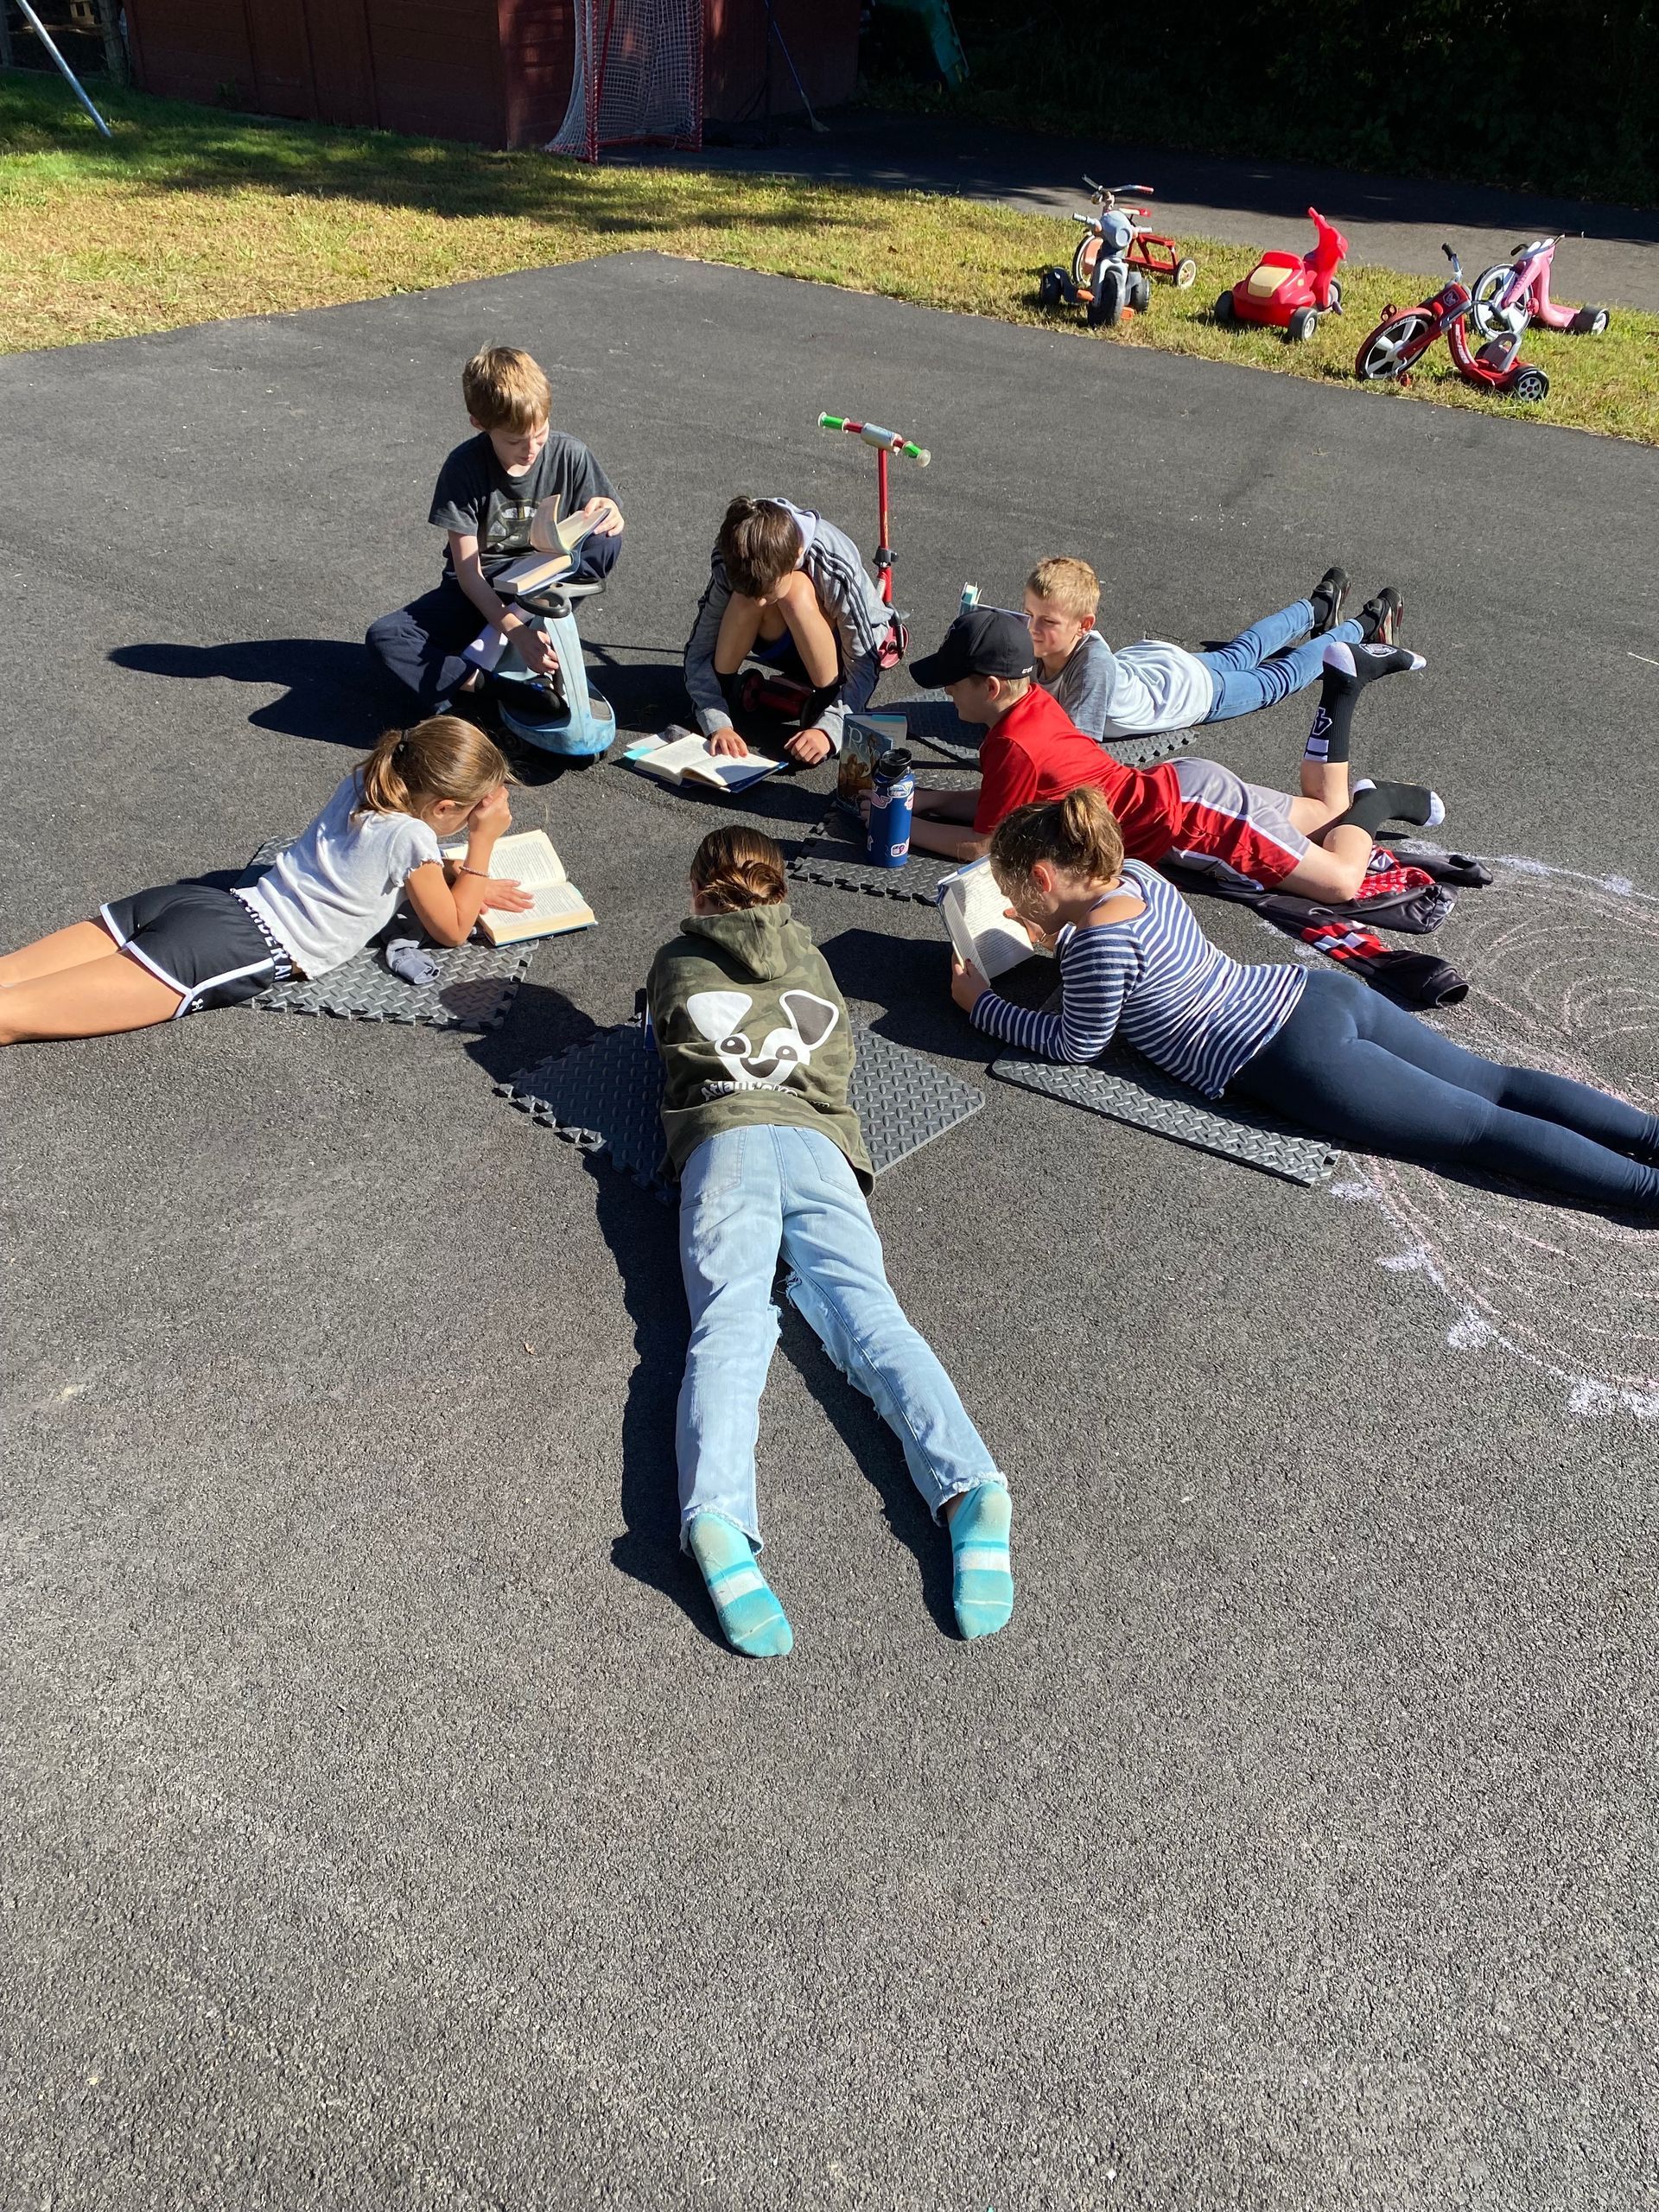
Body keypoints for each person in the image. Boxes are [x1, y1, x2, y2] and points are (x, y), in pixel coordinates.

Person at [950, 785, 1659, 1214]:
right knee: (1492, 1084)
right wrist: (1053, 931)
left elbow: (1077, 1044)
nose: (1013, 906)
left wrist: (983, 1005)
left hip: (1295, 1057)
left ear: (1044, 879)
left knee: (1480, 1132)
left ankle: (1647, 1193)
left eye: (1016, 895)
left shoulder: (1095, 949)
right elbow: (1127, 957)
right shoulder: (1133, 875)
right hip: (1309, 994)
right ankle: (1650, 1139)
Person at [646, 826, 1013, 1656]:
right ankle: (969, 1486)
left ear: (700, 894)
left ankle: (718, 1521)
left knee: (731, 1325)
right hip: (818, 1147)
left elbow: (665, 1045)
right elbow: (837, 1054)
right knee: (873, 1316)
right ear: (781, 895)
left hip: (725, 1144)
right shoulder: (813, 960)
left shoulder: (676, 958)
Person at [0, 718, 533, 1046]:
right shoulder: (414, 840)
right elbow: (452, 929)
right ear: (442, 808)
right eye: (467, 815)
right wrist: (482, 844)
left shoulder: (368, 780)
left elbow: (383, 862)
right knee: (10, 1017)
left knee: (8, 978)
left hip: (194, 905)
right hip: (231, 948)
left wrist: (457, 876)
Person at [902, 607, 1441, 906]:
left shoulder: (1014, 743)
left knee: (1342, 882)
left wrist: (901, 824)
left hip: (1195, 820)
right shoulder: (1032, 709)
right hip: (1187, 790)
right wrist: (924, 798)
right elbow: (1004, 805)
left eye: (953, 683)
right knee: (1326, 812)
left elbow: (986, 847)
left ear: (993, 687)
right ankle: (1344, 686)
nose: (947, 692)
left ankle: (1380, 797)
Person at [365, 346, 625, 715]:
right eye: (515, 441)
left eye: (540, 434)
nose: (531, 449)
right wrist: (518, 634)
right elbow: (469, 576)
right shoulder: (463, 467)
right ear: (479, 424)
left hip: (543, 583)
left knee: (607, 539)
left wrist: (611, 513)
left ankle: (485, 653)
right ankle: (488, 688)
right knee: (386, 637)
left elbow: (608, 517)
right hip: (480, 589)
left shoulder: (572, 454)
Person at [1021, 554, 1400, 742]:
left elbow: (1072, 751)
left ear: (1084, 626)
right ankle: (1320, 606)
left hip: (1190, 692)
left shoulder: (1092, 670)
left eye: (1047, 622)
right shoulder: (1041, 640)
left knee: (1276, 679)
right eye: (1028, 614)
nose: (1032, 629)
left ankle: (1366, 625)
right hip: (1161, 667)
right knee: (1242, 651)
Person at [682, 496, 904, 768]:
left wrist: (829, 730)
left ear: (797, 555)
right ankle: (723, 687)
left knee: (795, 591)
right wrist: (715, 718)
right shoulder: (733, 557)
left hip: (840, 653)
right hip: (780, 641)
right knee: (744, 599)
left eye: (767, 594)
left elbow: (864, 667)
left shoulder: (834, 562)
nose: (760, 604)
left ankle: (825, 699)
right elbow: (699, 651)